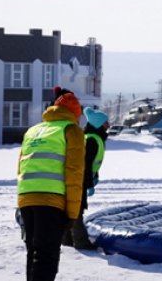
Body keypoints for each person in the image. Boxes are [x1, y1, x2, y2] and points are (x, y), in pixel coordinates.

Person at [17, 88, 85, 281]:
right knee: (46, 257)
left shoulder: (33, 131)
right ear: (75, 114)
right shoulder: (72, 131)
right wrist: (72, 214)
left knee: (34, 253)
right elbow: (74, 174)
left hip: (26, 199)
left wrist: (22, 200)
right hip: (51, 201)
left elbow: (20, 168)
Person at [62, 107, 109, 250]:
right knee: (77, 209)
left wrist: (94, 177)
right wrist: (88, 184)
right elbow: (85, 164)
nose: (108, 125)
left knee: (73, 208)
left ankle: (67, 240)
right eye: (106, 122)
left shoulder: (94, 138)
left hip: (80, 179)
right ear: (98, 124)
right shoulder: (91, 140)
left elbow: (93, 163)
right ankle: (81, 243)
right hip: (78, 179)